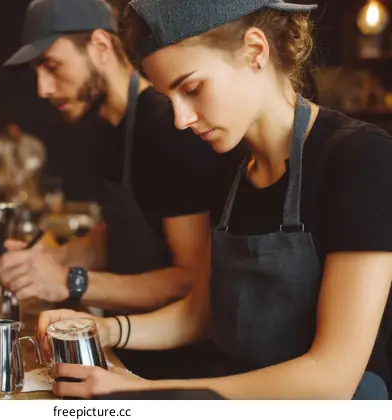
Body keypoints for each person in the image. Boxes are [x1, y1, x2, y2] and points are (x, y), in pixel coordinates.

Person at [36, 0, 392, 399]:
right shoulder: (232, 168)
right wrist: (105, 329)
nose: (180, 118)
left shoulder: (360, 159)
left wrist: (146, 392)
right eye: (169, 97)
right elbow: (200, 312)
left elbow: (331, 379)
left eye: (191, 89)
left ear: (255, 51)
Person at [0, 0, 219, 380]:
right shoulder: (107, 129)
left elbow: (189, 278)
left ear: (101, 46)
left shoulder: (168, 127)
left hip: (179, 369)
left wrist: (70, 280)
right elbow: (121, 231)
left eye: (52, 66)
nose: (43, 89)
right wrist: (48, 260)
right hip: (130, 352)